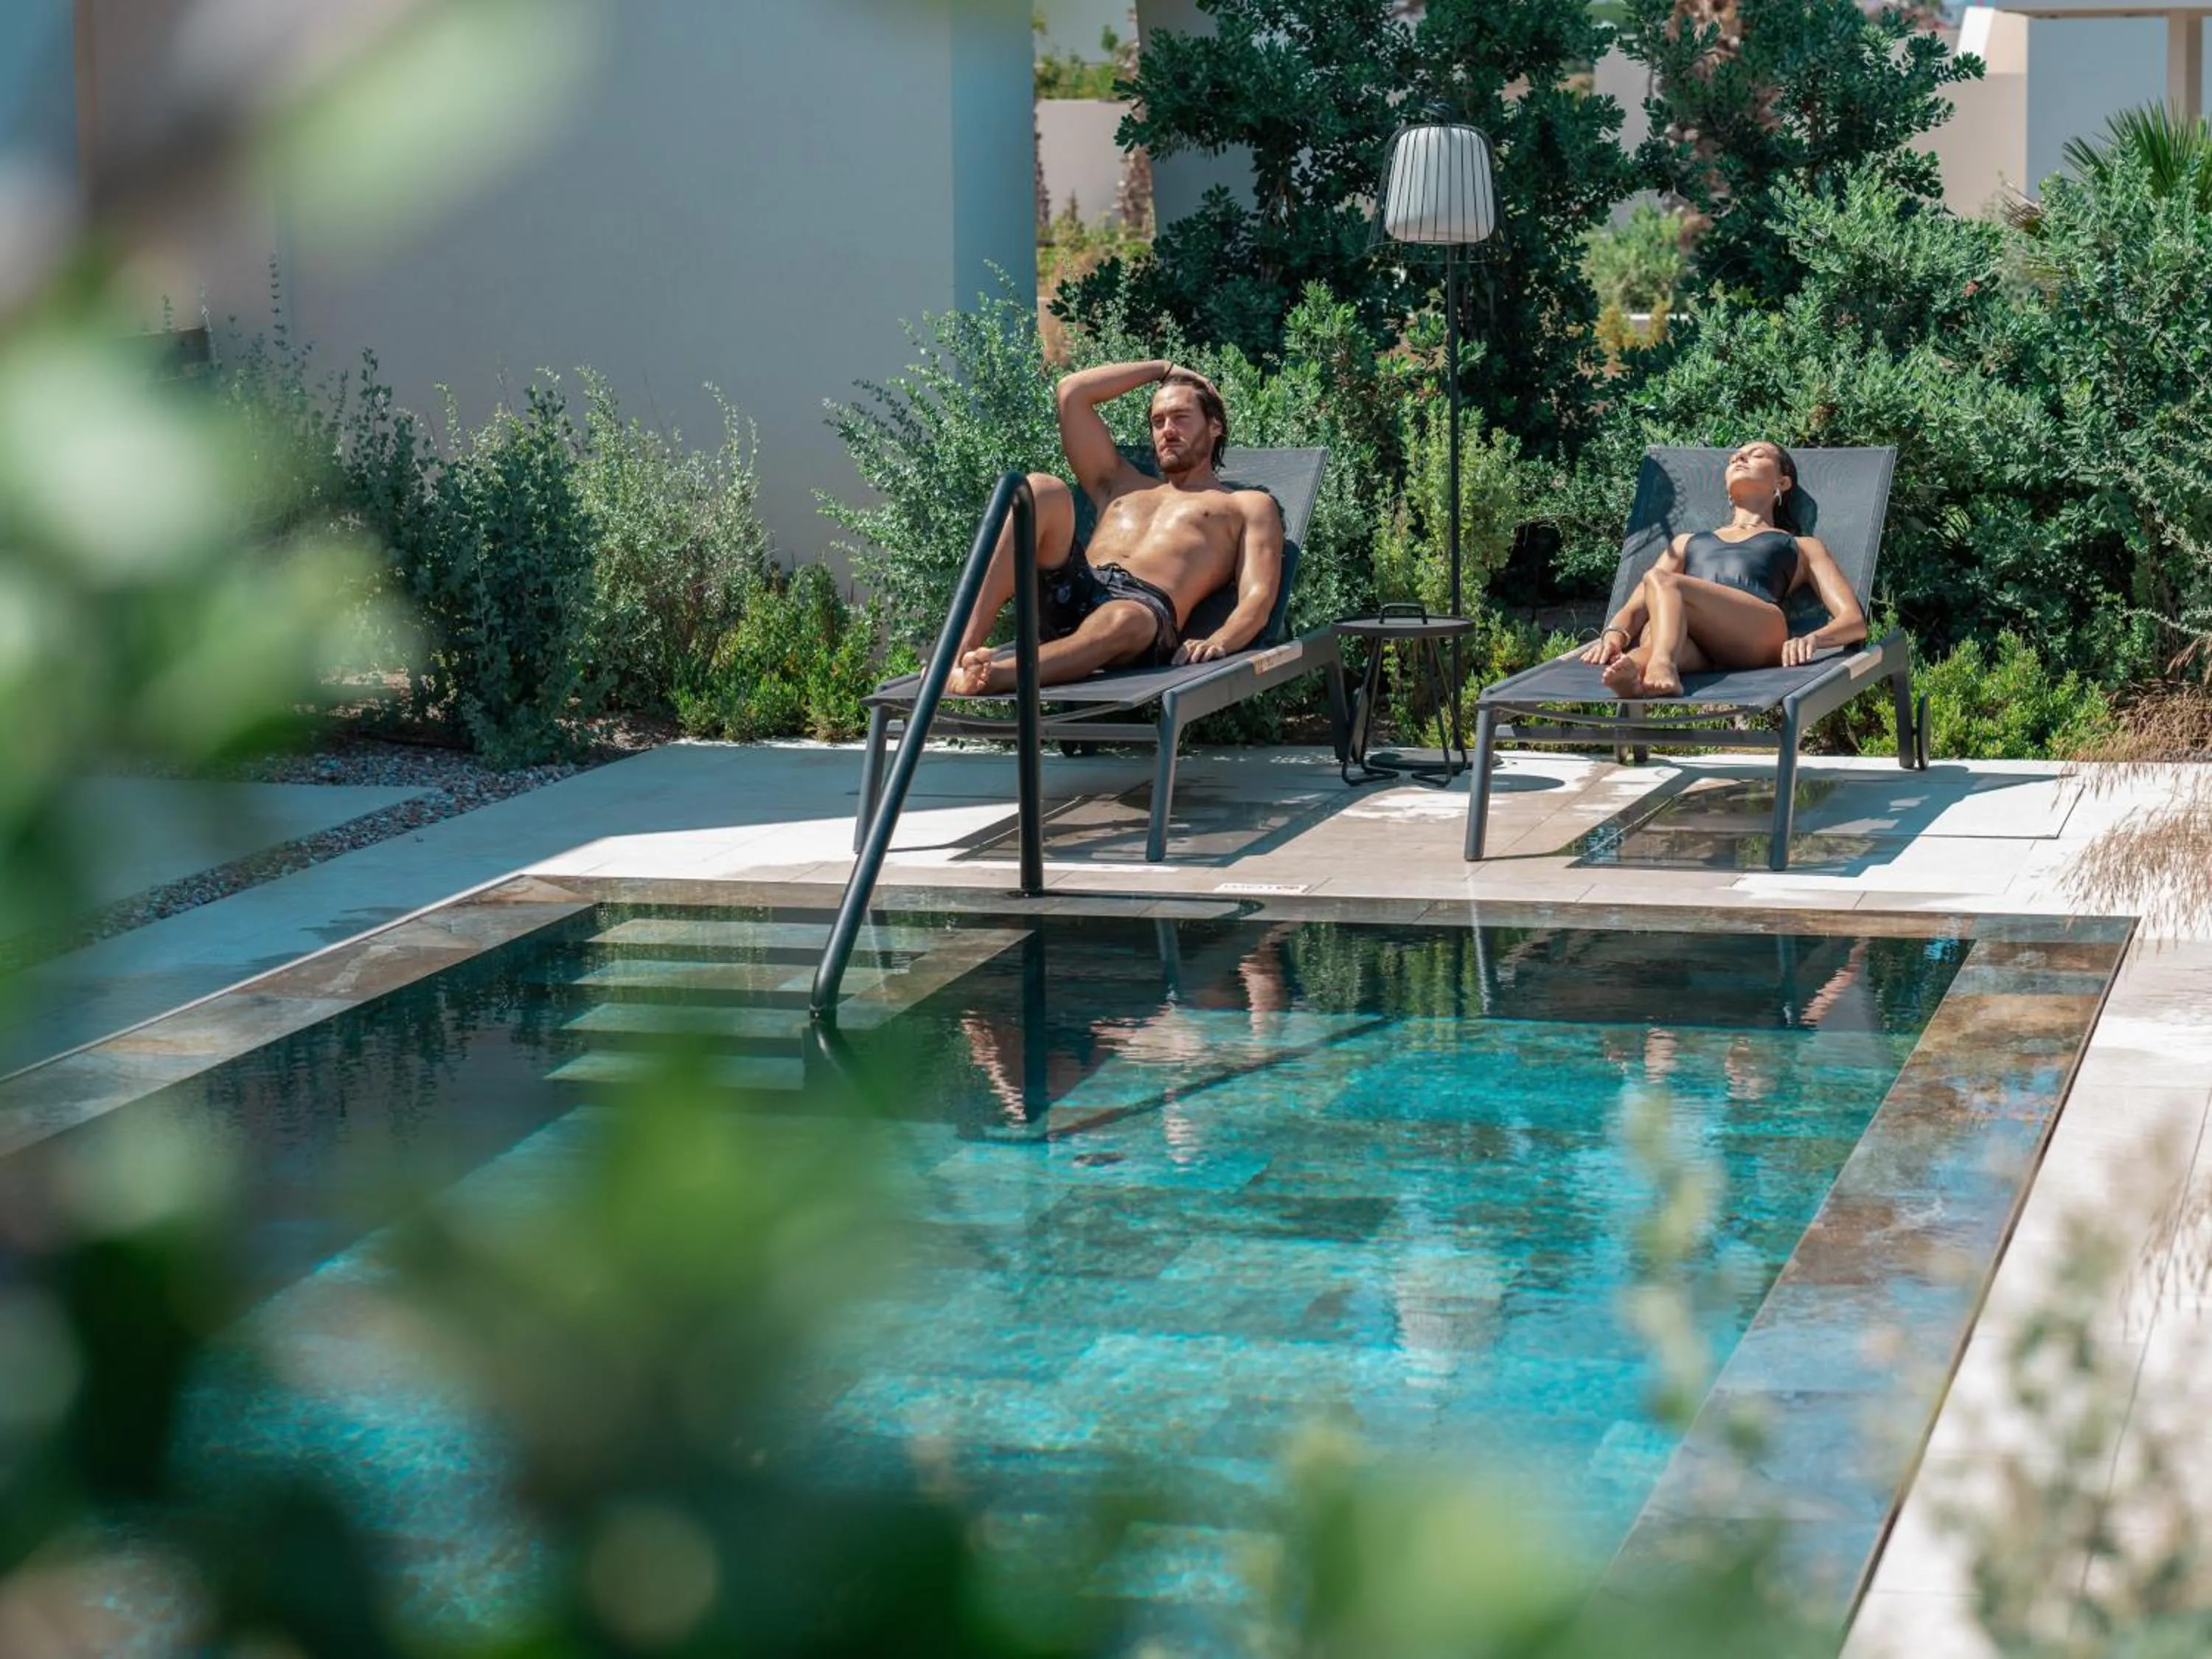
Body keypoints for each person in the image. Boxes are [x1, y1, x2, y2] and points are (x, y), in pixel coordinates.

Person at [944, 360, 1284, 697]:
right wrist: (1161, 370)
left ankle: (992, 676)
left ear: (1214, 427)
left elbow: (1258, 596)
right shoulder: (1120, 482)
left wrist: (1219, 641)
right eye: (1157, 421)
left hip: (1142, 611)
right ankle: (956, 656)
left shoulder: (1247, 505)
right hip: (1077, 588)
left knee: (1122, 617)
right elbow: (1072, 392)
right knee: (1039, 489)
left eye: (1181, 418)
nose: (1167, 430)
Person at [1579, 440, 1866, 699]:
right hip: (1698, 643)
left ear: (1783, 482)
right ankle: (1637, 676)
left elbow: (1854, 621)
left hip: (1757, 632)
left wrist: (1814, 639)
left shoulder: (1801, 545)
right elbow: (1635, 608)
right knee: (1659, 623)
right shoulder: (1686, 542)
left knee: (1662, 581)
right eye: (1734, 458)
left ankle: (1661, 665)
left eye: (1756, 455)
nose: (1740, 458)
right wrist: (1613, 637)